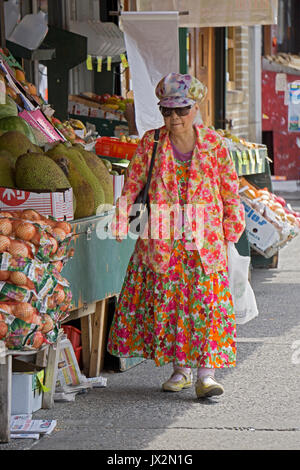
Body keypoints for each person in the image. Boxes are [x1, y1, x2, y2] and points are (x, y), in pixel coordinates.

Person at [107, 73, 245, 399]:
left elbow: (230, 191)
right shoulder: (151, 142)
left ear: (195, 109)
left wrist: (231, 227)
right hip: (163, 238)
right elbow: (133, 184)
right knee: (173, 304)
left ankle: (206, 375)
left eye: (181, 110)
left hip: (205, 241)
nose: (174, 118)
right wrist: (119, 219)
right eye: (167, 111)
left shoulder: (213, 144)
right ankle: (180, 369)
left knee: (207, 305)